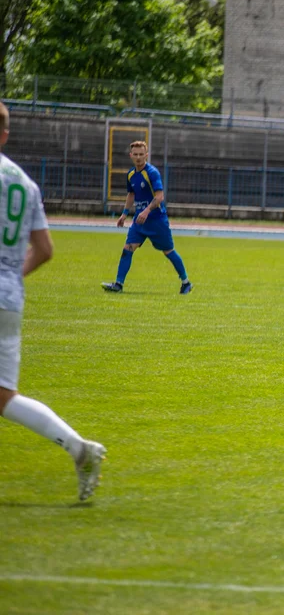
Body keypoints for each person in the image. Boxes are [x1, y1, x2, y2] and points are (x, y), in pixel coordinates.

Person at [0, 102, 106, 500]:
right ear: (6, 134)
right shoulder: (25, 183)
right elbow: (44, 249)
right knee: (4, 397)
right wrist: (10, 276)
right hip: (9, 297)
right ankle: (79, 448)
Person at [101, 141, 192, 294]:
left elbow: (160, 197)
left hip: (157, 221)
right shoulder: (131, 174)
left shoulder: (152, 173)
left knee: (168, 251)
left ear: (146, 155)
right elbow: (131, 194)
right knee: (127, 249)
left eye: (141, 155)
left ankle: (186, 282)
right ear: (131, 156)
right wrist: (124, 214)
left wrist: (146, 211)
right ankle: (118, 284)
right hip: (139, 222)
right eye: (135, 155)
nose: (138, 157)